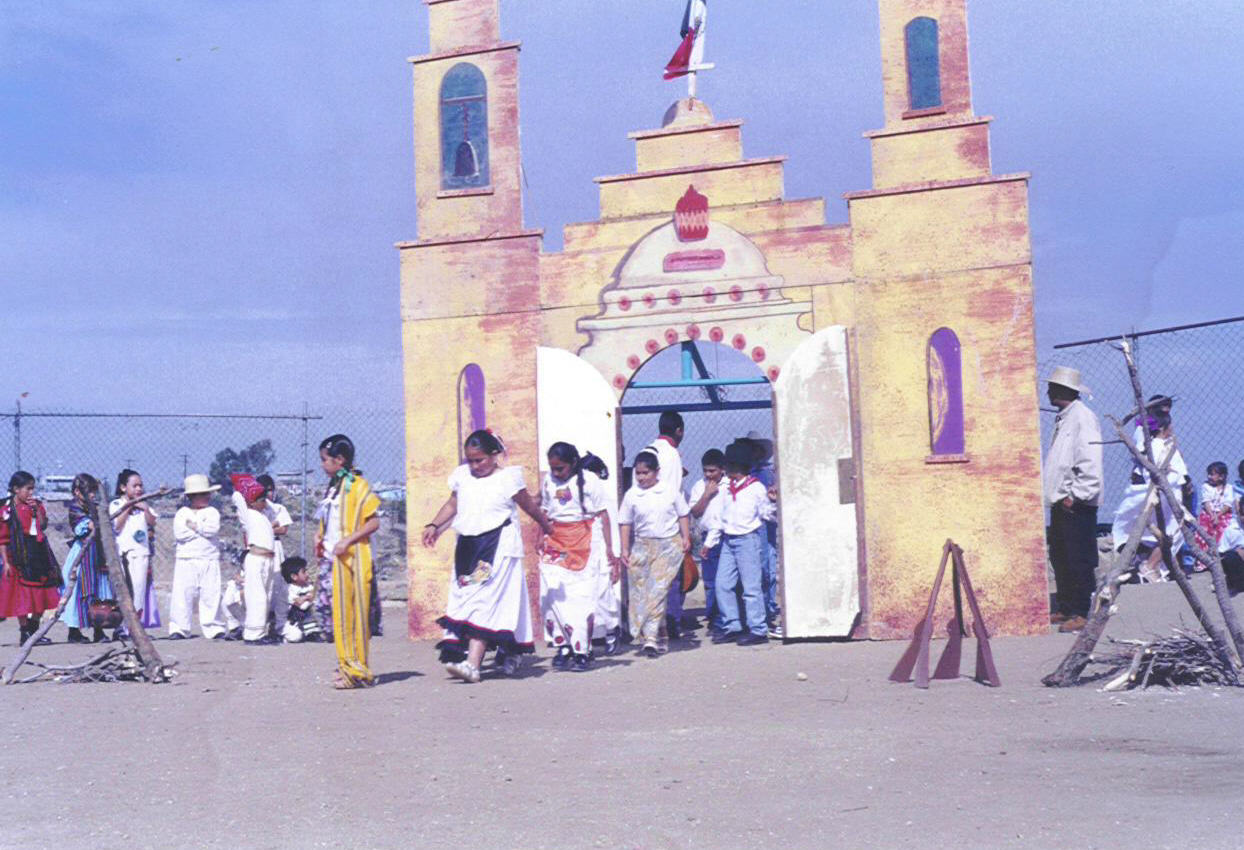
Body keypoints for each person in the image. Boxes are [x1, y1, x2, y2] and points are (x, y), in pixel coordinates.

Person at [422, 429, 552, 684]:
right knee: (466, 597)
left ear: (495, 455)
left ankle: (473, 665)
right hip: (468, 546)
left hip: (499, 545)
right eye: (470, 460)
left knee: (487, 600)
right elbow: (453, 504)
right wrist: (434, 525)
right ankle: (505, 651)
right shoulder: (462, 477)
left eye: (479, 460)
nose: (474, 465)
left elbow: (527, 505)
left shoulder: (508, 479)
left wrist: (546, 526)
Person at [538, 442, 617, 672]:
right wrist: (538, 536)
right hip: (555, 539)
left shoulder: (590, 481)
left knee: (580, 597)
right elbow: (543, 511)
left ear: (573, 463)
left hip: (584, 538)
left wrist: (610, 549)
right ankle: (562, 646)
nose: (555, 473)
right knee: (551, 593)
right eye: (552, 468)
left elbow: (603, 516)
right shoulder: (548, 481)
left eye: (560, 468)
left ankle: (582, 651)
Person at [316, 434, 382, 689]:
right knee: (340, 614)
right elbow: (329, 518)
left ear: (339, 459)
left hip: (355, 557)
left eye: (325, 460)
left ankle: (358, 668)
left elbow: (373, 521)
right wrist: (319, 536)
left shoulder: (358, 485)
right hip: (335, 558)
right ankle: (346, 664)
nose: (322, 465)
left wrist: (349, 541)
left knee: (357, 613)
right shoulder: (333, 486)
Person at [1042, 366, 1103, 633]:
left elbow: (1089, 459)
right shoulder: (1065, 418)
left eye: (1052, 387)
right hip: (1061, 500)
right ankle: (1067, 606)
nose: (1047, 391)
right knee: (1061, 555)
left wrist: (1076, 495)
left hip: (1075, 502)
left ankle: (1081, 610)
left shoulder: (1082, 418)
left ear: (1062, 390)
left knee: (1078, 557)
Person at [618, 449, 691, 658]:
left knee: (657, 590)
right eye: (638, 473)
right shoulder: (632, 495)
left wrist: (686, 537)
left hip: (668, 545)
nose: (641, 477)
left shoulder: (669, 491)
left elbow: (683, 513)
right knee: (640, 592)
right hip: (642, 546)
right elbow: (625, 522)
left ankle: (650, 638)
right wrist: (624, 548)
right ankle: (659, 632)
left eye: (645, 473)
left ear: (656, 472)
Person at [1111, 395, 1190, 583]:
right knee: (1173, 531)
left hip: (1154, 494)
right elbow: (1177, 474)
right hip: (1164, 496)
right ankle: (1150, 565)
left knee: (1159, 531)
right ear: (1163, 427)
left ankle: (1155, 566)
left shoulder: (1156, 444)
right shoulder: (1157, 443)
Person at [710, 443, 777, 645]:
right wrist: (709, 542)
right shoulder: (727, 490)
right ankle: (732, 625)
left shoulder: (755, 488)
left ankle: (758, 628)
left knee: (751, 586)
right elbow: (721, 518)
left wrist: (772, 502)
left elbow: (766, 514)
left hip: (748, 539)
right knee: (723, 584)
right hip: (729, 541)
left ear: (736, 466)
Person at [0, 471, 62, 645]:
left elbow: (42, 525)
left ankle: (34, 630)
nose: (31, 493)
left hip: (38, 553)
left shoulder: (36, 505)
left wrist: (37, 510)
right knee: (20, 594)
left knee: (42, 591)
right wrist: (5, 562)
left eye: (33, 489)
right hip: (18, 555)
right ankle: (24, 631)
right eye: (28, 489)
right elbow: (2, 539)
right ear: (16, 489)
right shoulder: (6, 509)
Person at [168, 474, 226, 640]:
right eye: (202, 494)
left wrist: (194, 527)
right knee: (183, 593)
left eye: (207, 493)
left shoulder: (212, 512)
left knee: (211, 593)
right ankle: (179, 628)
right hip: (187, 558)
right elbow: (180, 534)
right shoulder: (181, 513)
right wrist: (201, 530)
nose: (207, 497)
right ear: (192, 496)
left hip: (209, 558)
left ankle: (213, 627)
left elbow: (212, 529)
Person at [646, 409, 687, 638]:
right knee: (671, 577)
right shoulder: (674, 455)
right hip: (669, 523)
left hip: (646, 524)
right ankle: (672, 620)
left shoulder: (647, 451)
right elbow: (675, 494)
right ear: (678, 430)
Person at [61, 473, 113, 644]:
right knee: (79, 591)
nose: (92, 495)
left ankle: (98, 630)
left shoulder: (95, 507)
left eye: (94, 492)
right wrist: (97, 521)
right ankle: (74, 631)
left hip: (96, 553)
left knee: (97, 590)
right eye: (89, 491)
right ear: (77, 492)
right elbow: (85, 527)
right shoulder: (75, 508)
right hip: (82, 554)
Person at [741, 430, 782, 637]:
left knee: (766, 567)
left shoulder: (765, 473)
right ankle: (763, 611)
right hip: (756, 525)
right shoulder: (750, 473)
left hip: (765, 524)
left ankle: (767, 609)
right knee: (759, 568)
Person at [109, 469, 160, 630]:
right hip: (125, 554)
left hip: (141, 553)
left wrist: (144, 508)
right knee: (125, 591)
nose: (139, 489)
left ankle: (136, 628)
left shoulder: (144, 504)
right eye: (134, 486)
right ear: (124, 487)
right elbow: (117, 526)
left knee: (139, 591)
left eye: (140, 486)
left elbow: (152, 522)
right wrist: (129, 506)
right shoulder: (117, 504)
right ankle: (122, 627)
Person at [231, 475, 278, 646]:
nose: (265, 502)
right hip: (256, 559)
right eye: (261, 499)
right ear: (251, 502)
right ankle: (252, 633)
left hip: (268, 559)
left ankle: (260, 630)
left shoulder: (264, 515)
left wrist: (260, 493)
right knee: (256, 596)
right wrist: (243, 487)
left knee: (266, 595)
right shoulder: (248, 515)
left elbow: (272, 508)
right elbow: (237, 498)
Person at [688, 449, 725, 635]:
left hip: (725, 538)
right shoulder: (698, 486)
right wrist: (707, 495)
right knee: (710, 581)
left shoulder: (728, 485)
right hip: (706, 537)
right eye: (705, 471)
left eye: (712, 471)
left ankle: (726, 618)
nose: (708, 475)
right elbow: (695, 512)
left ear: (722, 470)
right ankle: (713, 618)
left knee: (725, 581)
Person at [256, 474, 295, 639]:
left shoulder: (279, 509)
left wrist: (268, 528)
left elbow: (283, 529)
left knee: (278, 582)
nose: (269, 494)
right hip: (260, 546)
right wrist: (270, 526)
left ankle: (279, 623)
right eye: (266, 491)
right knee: (262, 583)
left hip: (275, 545)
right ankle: (260, 623)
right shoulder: (256, 510)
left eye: (271, 490)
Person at [279, 556, 322, 643]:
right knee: (296, 637)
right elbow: (299, 603)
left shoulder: (308, 586)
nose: (307, 574)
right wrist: (308, 597)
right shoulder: (288, 589)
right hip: (288, 621)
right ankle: (278, 634)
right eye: (304, 572)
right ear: (294, 576)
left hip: (302, 619)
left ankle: (312, 632)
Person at [1199, 462, 1235, 550]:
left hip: (1223, 514)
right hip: (1208, 514)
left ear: (1221, 477)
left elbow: (1227, 505)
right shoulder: (1206, 486)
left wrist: (1218, 516)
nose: (1209, 477)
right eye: (1208, 474)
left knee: (1222, 532)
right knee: (1204, 533)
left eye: (1212, 474)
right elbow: (1206, 502)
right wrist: (1212, 515)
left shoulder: (1229, 488)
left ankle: (1220, 553)